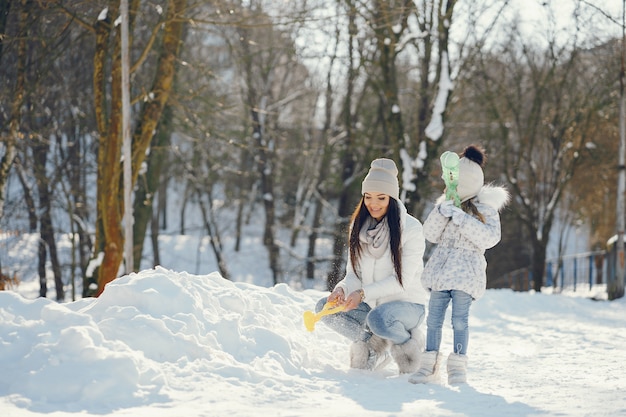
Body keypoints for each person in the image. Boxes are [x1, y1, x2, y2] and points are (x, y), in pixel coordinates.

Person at [315, 158, 428, 374]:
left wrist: (362, 293)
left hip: (407, 306)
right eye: (368, 197)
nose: (373, 203)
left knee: (378, 319)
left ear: (392, 198)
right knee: (324, 309)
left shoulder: (411, 229)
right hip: (373, 305)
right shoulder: (359, 229)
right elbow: (353, 274)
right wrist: (343, 289)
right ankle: (375, 349)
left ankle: (410, 344)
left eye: (381, 197)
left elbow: (401, 281)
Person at [409, 144, 509, 385]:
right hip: (441, 272)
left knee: (459, 320)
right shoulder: (446, 205)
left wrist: (462, 218)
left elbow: (490, 238)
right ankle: (428, 365)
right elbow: (430, 234)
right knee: (434, 320)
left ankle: (457, 367)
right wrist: (442, 212)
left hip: (466, 274)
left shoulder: (486, 209)